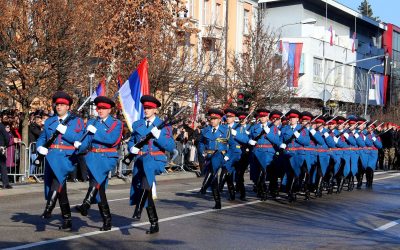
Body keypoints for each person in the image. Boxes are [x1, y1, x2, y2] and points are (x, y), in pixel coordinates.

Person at [127, 95, 175, 234]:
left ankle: (138, 210)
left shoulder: (164, 126)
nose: (146, 110)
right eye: (145, 108)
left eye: (149, 108)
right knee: (144, 187)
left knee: (146, 181)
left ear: (155, 110)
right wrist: (132, 148)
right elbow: (132, 140)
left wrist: (158, 135)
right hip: (141, 159)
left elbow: (171, 146)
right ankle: (154, 222)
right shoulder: (138, 124)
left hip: (155, 160)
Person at [36, 91, 84, 231]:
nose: (59, 107)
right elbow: (43, 137)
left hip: (66, 157)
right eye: (57, 104)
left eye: (62, 105)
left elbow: (79, 138)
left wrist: (65, 132)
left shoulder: (77, 121)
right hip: (52, 156)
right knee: (61, 189)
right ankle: (67, 220)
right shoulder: (50, 121)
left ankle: (48, 209)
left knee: (58, 181)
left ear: (68, 107)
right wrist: (40, 147)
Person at [74, 96, 122, 231]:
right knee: (100, 189)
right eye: (99, 108)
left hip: (107, 157)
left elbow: (113, 140)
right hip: (93, 157)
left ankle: (86, 204)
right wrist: (79, 145)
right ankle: (107, 220)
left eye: (104, 108)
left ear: (110, 110)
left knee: (97, 182)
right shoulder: (92, 122)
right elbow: (86, 140)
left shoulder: (116, 123)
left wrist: (97, 132)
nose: (100, 110)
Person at [198, 108, 229, 209]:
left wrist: (230, 155)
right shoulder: (205, 130)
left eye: (215, 119)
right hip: (209, 155)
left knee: (213, 168)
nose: (212, 120)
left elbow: (232, 144)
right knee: (214, 179)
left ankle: (204, 186)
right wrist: (202, 151)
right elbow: (201, 142)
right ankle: (218, 202)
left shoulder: (225, 130)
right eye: (211, 118)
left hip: (221, 155)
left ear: (220, 119)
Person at [0, 120, 11, 189]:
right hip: (0, 147)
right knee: (3, 165)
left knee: (2, 165)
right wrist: (5, 145)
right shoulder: (1, 126)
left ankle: (6, 183)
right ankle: (5, 183)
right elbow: (7, 136)